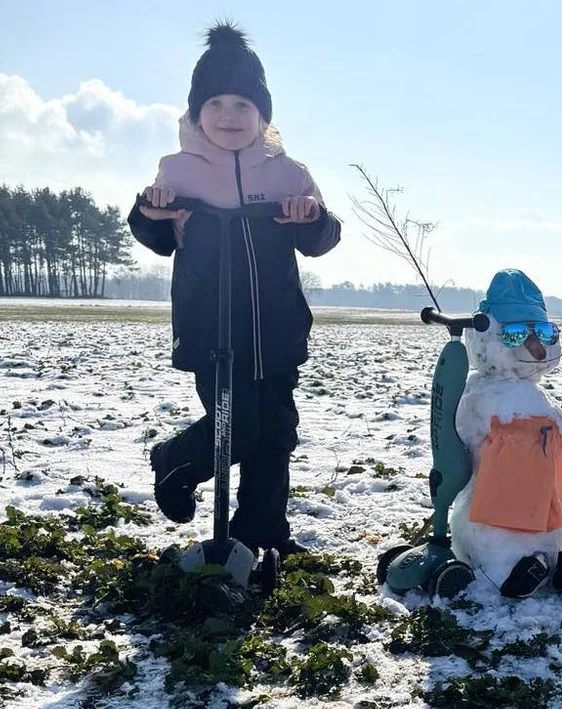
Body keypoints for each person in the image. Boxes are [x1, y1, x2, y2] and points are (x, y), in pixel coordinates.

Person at [127, 22, 341, 556]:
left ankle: (262, 532)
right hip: (211, 326)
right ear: (196, 113)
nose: (228, 116)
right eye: (216, 104)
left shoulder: (289, 173)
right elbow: (157, 234)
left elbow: (322, 238)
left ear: (262, 114)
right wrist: (149, 210)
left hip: (277, 327)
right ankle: (176, 459)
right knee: (238, 424)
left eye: (242, 105)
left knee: (277, 434)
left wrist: (309, 217)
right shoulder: (179, 170)